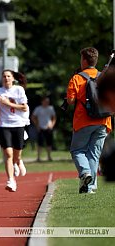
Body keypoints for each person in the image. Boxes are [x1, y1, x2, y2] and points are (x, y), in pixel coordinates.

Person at [67, 47, 111, 194]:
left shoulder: (77, 78)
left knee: (77, 150)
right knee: (94, 154)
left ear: (84, 60)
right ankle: (90, 187)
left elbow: (71, 101)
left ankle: (85, 172)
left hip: (84, 121)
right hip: (103, 120)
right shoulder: (103, 76)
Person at [0, 69, 29, 192]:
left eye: (8, 76)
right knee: (8, 154)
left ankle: (18, 161)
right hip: (5, 125)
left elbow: (24, 107)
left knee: (16, 153)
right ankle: (11, 180)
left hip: (18, 124)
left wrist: (8, 104)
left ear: (13, 78)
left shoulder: (19, 90)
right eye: (4, 76)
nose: (6, 78)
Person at [31, 96, 56, 162]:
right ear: (42, 101)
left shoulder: (51, 108)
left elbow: (54, 118)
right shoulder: (38, 109)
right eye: (45, 101)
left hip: (48, 127)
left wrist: (52, 125)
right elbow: (33, 117)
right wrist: (37, 125)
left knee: (49, 143)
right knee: (40, 143)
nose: (47, 102)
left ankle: (49, 156)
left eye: (48, 101)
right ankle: (38, 157)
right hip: (40, 127)